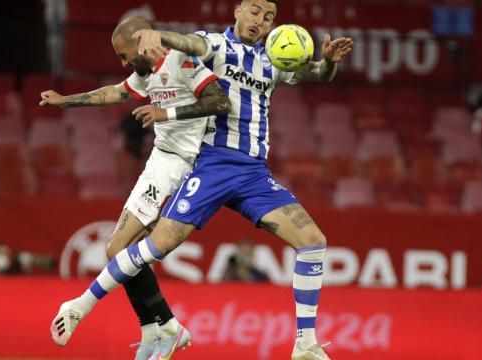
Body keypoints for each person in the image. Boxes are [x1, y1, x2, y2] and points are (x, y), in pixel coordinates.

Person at [51, 1, 353, 359]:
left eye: (269, 17)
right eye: (255, 11)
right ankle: (83, 306)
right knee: (152, 247)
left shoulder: (274, 58)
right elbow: (186, 44)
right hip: (212, 164)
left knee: (313, 241)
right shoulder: (214, 45)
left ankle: (305, 345)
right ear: (239, 9)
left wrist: (329, 62)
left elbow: (315, 73)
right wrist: (154, 35)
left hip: (254, 172)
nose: (261, 20)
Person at [41, 17, 231, 359]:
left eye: (124, 53)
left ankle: (156, 328)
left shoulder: (182, 60)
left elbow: (220, 102)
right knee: (117, 251)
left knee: (129, 251)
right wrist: (64, 101)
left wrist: (166, 113)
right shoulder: (144, 72)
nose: (123, 62)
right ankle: (159, 330)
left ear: (141, 42)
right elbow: (114, 93)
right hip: (161, 161)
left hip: (192, 165)